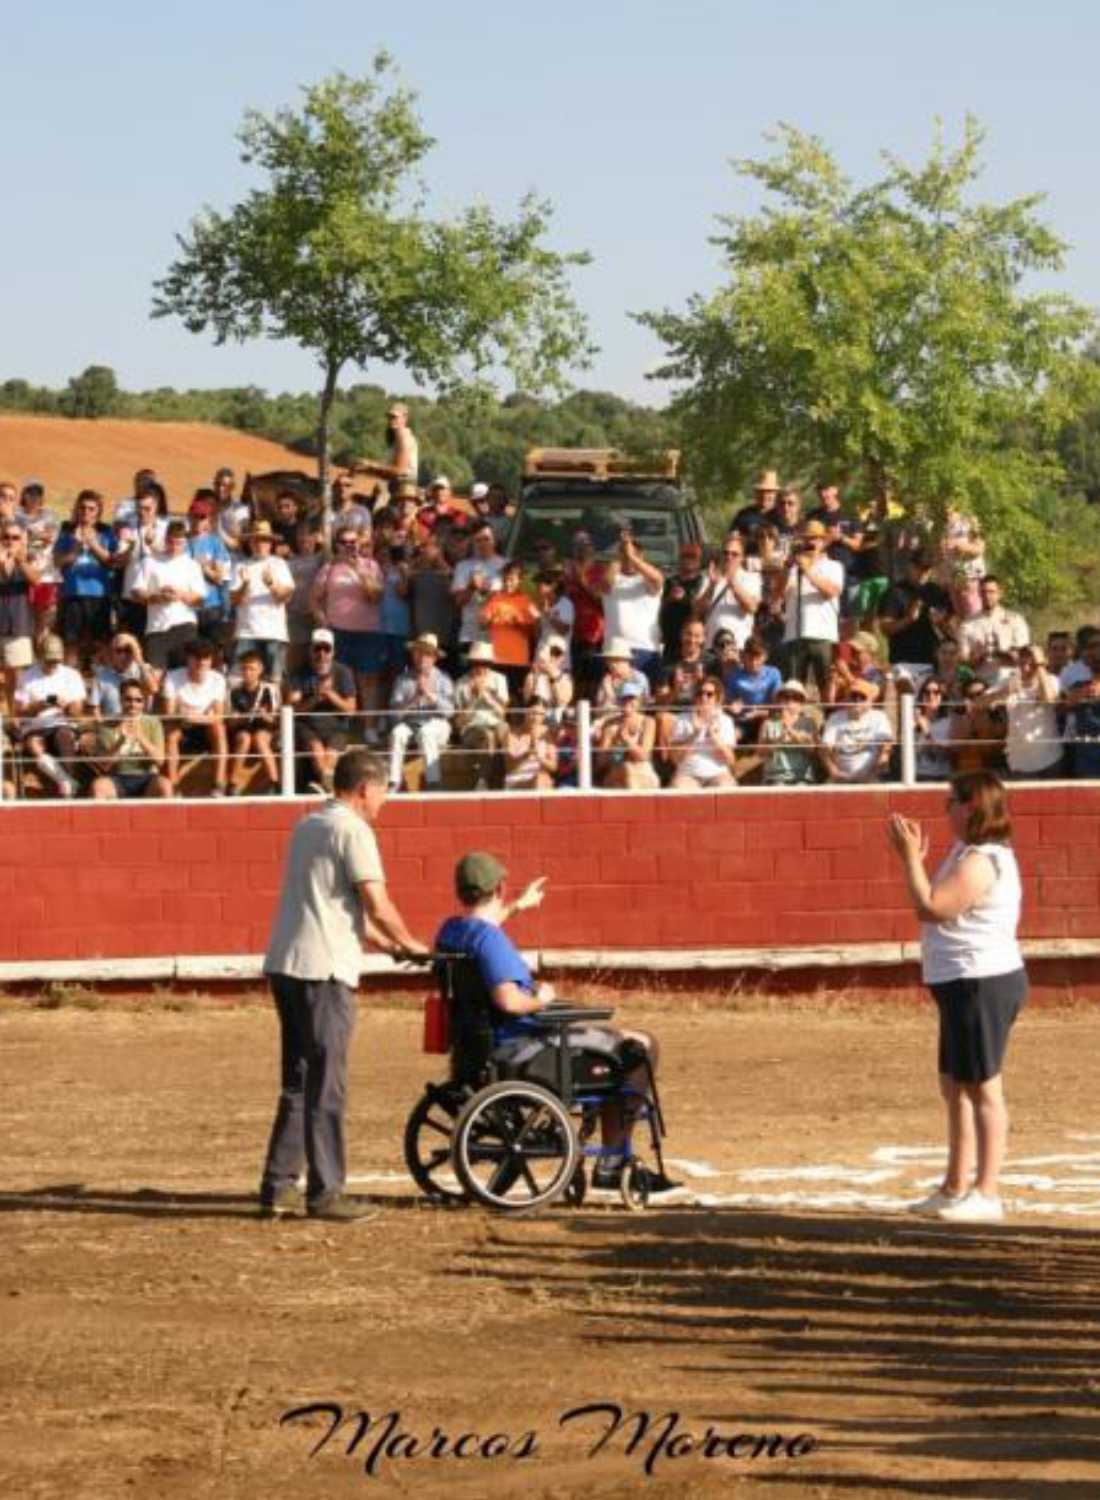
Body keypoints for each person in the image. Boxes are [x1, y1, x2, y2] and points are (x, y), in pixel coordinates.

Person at [434, 851, 676, 1194]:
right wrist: (543, 998)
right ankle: (612, 1160)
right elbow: (509, 1001)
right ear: (499, 888)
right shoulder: (491, 941)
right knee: (640, 1046)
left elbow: (484, 932)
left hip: (479, 1047)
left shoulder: (452, 932)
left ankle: (611, 1156)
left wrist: (519, 906)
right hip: (524, 1046)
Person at [259, 748, 430, 1222]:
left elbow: (338, 906)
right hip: (325, 970)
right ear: (365, 788)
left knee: (298, 1081)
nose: (384, 801)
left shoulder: (308, 825)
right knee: (325, 1084)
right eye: (383, 792)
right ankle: (325, 1193)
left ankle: (278, 1186)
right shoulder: (354, 830)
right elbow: (376, 903)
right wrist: (413, 945)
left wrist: (388, 945)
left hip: (287, 963)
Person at [889, 771, 1027, 1223]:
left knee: (983, 1086)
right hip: (964, 981)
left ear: (970, 807)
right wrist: (915, 860)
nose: (945, 809)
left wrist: (909, 860)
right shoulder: (967, 851)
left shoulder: (981, 860)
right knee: (955, 1085)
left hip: (980, 980)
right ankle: (954, 1186)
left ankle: (987, 1192)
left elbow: (932, 908)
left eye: (951, 802)